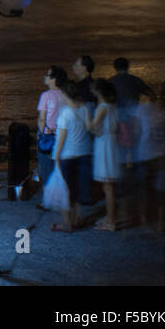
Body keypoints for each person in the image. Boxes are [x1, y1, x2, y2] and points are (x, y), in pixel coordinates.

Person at [52, 81, 94, 233]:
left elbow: (61, 138)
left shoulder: (65, 113)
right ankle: (77, 219)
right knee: (78, 189)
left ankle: (67, 223)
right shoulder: (85, 108)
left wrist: (56, 157)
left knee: (66, 191)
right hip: (84, 153)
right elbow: (90, 129)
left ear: (65, 94)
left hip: (67, 156)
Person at [89, 80, 121, 231]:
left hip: (104, 146)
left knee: (107, 187)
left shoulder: (102, 108)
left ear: (98, 91)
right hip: (111, 144)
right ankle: (109, 217)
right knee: (108, 186)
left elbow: (93, 127)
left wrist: (84, 118)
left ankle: (111, 221)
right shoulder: (113, 107)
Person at [132, 91, 165, 230]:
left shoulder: (141, 109)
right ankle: (160, 223)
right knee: (160, 190)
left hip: (144, 153)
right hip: (162, 155)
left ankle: (143, 218)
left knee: (143, 188)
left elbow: (135, 130)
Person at [71, 56, 98, 204]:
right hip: (88, 128)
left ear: (85, 68)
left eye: (76, 64)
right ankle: (86, 193)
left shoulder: (84, 87)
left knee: (83, 161)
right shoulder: (91, 85)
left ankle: (85, 195)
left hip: (82, 129)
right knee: (86, 161)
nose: (73, 67)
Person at [36, 66, 68, 193]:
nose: (45, 77)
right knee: (60, 167)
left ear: (54, 79)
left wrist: (39, 134)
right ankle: (62, 195)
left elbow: (42, 118)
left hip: (48, 136)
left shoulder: (46, 95)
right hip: (62, 135)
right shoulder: (65, 94)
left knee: (45, 168)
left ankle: (47, 200)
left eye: (47, 75)